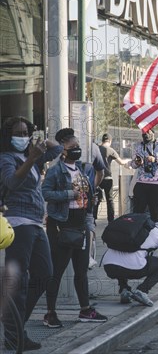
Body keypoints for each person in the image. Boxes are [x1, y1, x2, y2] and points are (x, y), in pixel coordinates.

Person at [0, 117, 61, 351]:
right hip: (17, 222)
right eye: (18, 132)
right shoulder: (6, 158)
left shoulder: (29, 156)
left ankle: (16, 324)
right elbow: (12, 183)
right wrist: (33, 158)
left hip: (35, 223)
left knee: (45, 274)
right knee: (19, 281)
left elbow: (56, 149)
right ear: (7, 136)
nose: (22, 136)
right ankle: (15, 335)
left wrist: (41, 139)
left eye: (25, 132)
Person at [42, 133, 108, 327]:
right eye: (73, 146)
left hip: (80, 224)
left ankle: (85, 309)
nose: (77, 149)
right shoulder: (55, 171)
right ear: (63, 149)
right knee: (57, 271)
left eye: (78, 145)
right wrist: (71, 194)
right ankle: (50, 313)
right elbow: (46, 193)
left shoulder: (81, 168)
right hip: (62, 225)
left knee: (81, 270)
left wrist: (90, 202)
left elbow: (89, 188)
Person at [102, 222, 158, 307]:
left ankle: (124, 290)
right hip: (131, 267)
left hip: (108, 266)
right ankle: (142, 290)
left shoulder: (134, 230)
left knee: (125, 257)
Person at [130, 130, 158, 223]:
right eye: (143, 133)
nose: (146, 135)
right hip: (141, 182)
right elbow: (132, 164)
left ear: (153, 133)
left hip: (156, 183)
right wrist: (137, 163)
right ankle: (138, 232)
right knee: (138, 211)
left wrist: (155, 159)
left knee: (154, 212)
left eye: (148, 132)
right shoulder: (138, 146)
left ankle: (154, 232)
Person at [95, 134, 129, 223]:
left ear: (102, 140)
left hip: (97, 177)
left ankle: (93, 218)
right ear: (110, 141)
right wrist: (128, 161)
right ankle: (111, 219)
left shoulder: (96, 149)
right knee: (110, 200)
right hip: (107, 177)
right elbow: (121, 162)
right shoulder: (110, 150)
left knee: (95, 198)